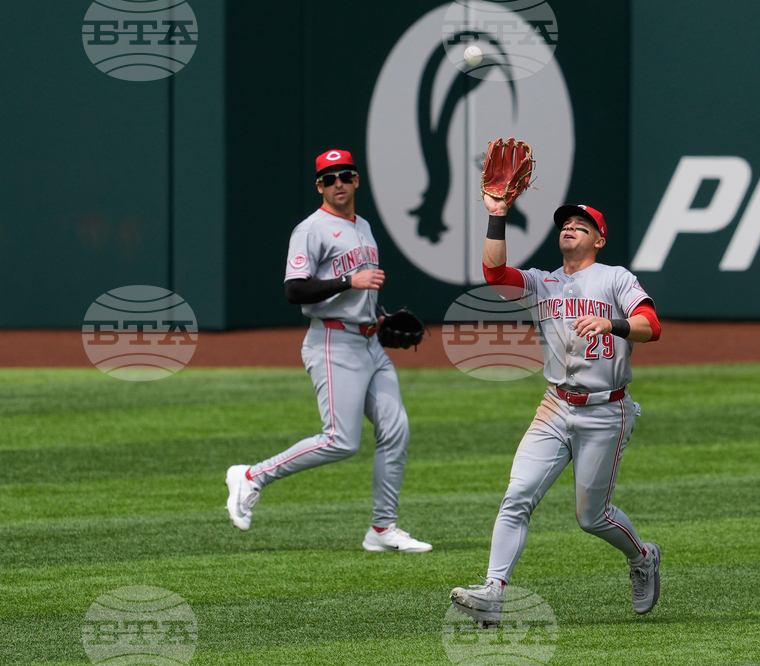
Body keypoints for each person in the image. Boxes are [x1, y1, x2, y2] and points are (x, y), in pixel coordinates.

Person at [450, 194, 663, 624]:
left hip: (606, 411)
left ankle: (642, 557)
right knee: (517, 496)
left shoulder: (615, 279)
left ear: (599, 239)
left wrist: (612, 322)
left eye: (581, 226)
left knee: (592, 517)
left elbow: (651, 327)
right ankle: (494, 592)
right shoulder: (540, 283)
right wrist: (497, 214)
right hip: (554, 406)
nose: (570, 227)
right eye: (565, 223)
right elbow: (495, 274)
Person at [225, 149, 431, 553]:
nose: (339, 183)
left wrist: (381, 318)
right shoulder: (311, 229)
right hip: (333, 343)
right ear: (319, 185)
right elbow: (294, 289)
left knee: (396, 431)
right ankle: (251, 477)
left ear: (356, 181)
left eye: (345, 175)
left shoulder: (364, 226)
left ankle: (382, 529)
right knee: (340, 440)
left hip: (370, 342)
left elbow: (360, 289)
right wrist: (347, 282)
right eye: (330, 177)